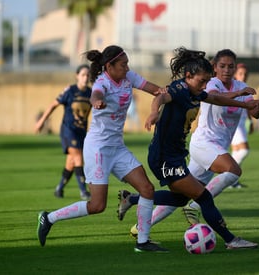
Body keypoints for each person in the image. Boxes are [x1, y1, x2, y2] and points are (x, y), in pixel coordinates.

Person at [118, 47, 259, 250]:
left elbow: (216, 99)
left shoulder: (195, 91)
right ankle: (231, 240)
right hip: (163, 157)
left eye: (207, 81)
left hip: (176, 154)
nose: (205, 86)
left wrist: (248, 104)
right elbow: (161, 97)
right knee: (203, 196)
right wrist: (154, 112)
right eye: (202, 81)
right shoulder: (179, 89)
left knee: (181, 199)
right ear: (188, 76)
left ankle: (132, 198)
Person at [37, 45, 168, 252]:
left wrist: (162, 98)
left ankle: (143, 241)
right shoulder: (102, 81)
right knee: (97, 206)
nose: (127, 67)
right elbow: (95, 95)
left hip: (117, 147)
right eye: (123, 64)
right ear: (109, 66)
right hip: (98, 149)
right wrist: (97, 102)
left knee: (147, 189)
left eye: (127, 63)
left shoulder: (129, 77)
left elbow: (155, 90)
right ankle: (48, 218)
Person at [35, 64, 92, 200]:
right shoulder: (70, 91)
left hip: (81, 131)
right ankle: (83, 191)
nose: (86, 77)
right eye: (83, 74)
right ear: (77, 76)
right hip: (68, 130)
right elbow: (53, 105)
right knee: (78, 157)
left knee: (71, 162)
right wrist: (41, 121)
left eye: (88, 75)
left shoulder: (91, 93)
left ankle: (59, 188)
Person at [229, 63, 253, 188]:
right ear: (235, 74)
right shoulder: (232, 88)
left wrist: (251, 121)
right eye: (240, 74)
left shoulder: (245, 88)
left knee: (237, 151)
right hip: (234, 123)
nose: (243, 76)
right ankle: (228, 176)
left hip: (242, 123)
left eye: (245, 74)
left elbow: (249, 106)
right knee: (244, 150)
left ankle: (232, 181)